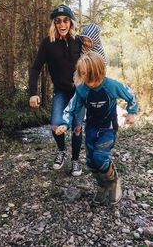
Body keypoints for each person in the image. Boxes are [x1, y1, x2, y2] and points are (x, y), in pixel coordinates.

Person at [55, 52, 138, 205]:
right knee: (90, 162)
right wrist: (64, 123)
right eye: (88, 79)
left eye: (95, 79)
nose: (92, 83)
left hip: (108, 128)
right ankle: (102, 185)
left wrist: (132, 113)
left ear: (101, 72)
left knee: (100, 158)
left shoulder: (111, 85)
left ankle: (113, 181)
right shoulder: (81, 89)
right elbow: (72, 108)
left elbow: (130, 95)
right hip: (92, 128)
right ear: (81, 75)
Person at [29, 4, 84, 177]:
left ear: (71, 23)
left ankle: (75, 161)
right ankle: (61, 150)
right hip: (60, 91)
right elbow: (35, 68)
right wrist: (33, 92)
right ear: (54, 23)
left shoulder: (79, 41)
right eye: (58, 21)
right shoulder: (48, 43)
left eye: (66, 20)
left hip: (79, 92)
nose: (62, 24)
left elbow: (95, 59)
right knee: (55, 124)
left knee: (77, 127)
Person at [79, 23, 119, 132]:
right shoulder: (82, 47)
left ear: (95, 40)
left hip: (100, 79)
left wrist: (99, 79)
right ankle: (91, 121)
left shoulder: (98, 50)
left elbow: (103, 65)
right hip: (87, 80)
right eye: (84, 40)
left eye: (89, 41)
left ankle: (113, 122)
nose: (86, 43)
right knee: (90, 101)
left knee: (107, 100)